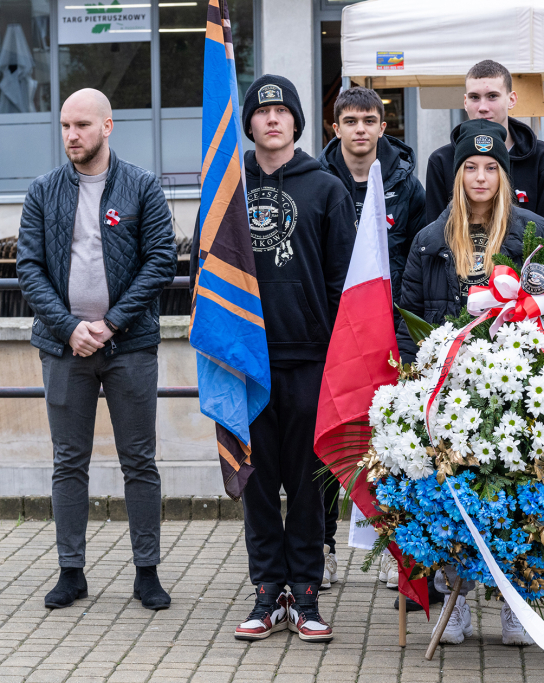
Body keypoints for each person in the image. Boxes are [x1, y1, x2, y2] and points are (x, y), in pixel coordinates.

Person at [191, 75, 357, 642]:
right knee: (257, 479)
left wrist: (340, 353)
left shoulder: (326, 188)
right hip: (245, 358)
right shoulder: (226, 191)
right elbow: (205, 266)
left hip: (310, 356)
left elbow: (343, 279)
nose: (272, 120)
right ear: (250, 124)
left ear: (297, 122)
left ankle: (306, 592)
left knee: (308, 482)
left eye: (282, 111)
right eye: (262, 113)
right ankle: (267, 590)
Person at [397, 120, 544, 646]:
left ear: (506, 174)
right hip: (450, 389)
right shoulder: (429, 241)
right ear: (457, 173)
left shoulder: (536, 236)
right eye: (472, 166)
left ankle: (518, 600)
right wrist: (412, 381)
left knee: (516, 494)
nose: (481, 176)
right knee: (457, 498)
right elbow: (409, 319)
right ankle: (457, 597)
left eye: (492, 167)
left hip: (515, 388)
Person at [17, 89, 176, 612]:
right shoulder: (43, 191)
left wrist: (109, 324)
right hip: (64, 349)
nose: (71, 136)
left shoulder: (142, 186)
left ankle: (147, 574)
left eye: (81, 125)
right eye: (65, 126)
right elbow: (29, 269)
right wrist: (69, 328)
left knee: (139, 460)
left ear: (108, 126)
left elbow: (160, 262)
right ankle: (71, 571)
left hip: (129, 343)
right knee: (68, 462)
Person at [317, 85, 425, 591]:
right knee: (329, 440)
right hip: (331, 334)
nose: (360, 129)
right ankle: (322, 548)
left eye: (370, 120)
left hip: (390, 333)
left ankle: (390, 545)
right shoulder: (315, 182)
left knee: (389, 445)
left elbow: (421, 259)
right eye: (350, 120)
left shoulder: (408, 186)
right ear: (333, 128)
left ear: (385, 128)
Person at [423, 60, 544, 227]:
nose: (483, 107)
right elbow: (434, 233)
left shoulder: (541, 157)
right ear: (465, 102)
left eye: (492, 96)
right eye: (475, 97)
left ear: (511, 99)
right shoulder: (441, 160)